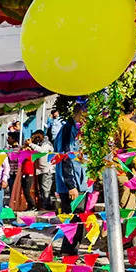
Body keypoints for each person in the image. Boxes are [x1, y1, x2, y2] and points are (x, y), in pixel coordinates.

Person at [53, 99, 86, 255]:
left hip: (81, 183)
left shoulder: (78, 130)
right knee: (74, 220)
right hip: (71, 184)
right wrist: (71, 185)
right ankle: (68, 252)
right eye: (84, 114)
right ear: (76, 113)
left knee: (78, 220)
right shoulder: (67, 130)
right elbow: (65, 158)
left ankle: (71, 251)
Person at [27, 129, 53, 210]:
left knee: (46, 189)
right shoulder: (38, 144)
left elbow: (42, 151)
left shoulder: (47, 144)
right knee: (41, 189)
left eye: (38, 136)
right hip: (40, 170)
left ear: (42, 135)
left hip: (47, 170)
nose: (37, 138)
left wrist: (31, 144)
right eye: (35, 137)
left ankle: (46, 206)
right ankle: (43, 205)